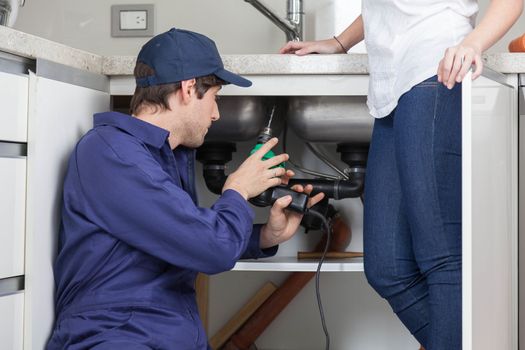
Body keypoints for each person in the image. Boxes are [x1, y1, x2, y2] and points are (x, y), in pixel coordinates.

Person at [46, 27, 324, 349]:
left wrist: (265, 237)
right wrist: (236, 190)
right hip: (118, 339)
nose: (217, 114)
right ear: (189, 89)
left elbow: (186, 235)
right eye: (215, 97)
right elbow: (211, 249)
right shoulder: (110, 153)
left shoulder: (160, 155)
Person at [281, 1, 522, 349]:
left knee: (443, 258)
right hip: (392, 86)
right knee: (387, 267)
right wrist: (340, 42)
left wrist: (474, 42)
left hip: (436, 70)